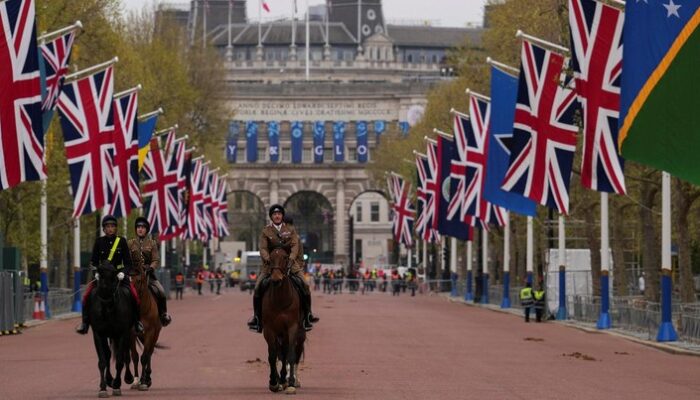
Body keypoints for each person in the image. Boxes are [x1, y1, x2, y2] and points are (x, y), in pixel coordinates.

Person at [247, 204, 319, 333]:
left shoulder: (290, 230)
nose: (277, 216)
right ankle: (257, 318)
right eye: (274, 214)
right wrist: (267, 258)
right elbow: (263, 248)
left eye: (279, 214)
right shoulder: (266, 231)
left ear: (282, 216)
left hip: (290, 264)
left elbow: (295, 246)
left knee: (305, 285)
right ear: (271, 217)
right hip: (271, 265)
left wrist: (291, 259)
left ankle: (308, 315)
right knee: (258, 287)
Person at [76, 215, 143, 335]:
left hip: (118, 276)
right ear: (103, 229)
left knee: (134, 295)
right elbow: (93, 262)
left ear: (116, 228)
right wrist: (96, 272)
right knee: (86, 296)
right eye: (107, 227)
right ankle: (85, 323)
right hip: (102, 277)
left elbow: (128, 262)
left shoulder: (121, 241)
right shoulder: (99, 242)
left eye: (112, 226)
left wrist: (123, 272)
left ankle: (137, 322)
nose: (110, 229)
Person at [128, 216, 171, 327]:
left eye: (142, 227)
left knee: (161, 292)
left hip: (148, 275)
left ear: (146, 230)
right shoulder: (130, 243)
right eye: (138, 227)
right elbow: (126, 258)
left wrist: (151, 267)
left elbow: (156, 259)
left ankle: (163, 314)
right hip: (133, 275)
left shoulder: (152, 243)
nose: (140, 229)